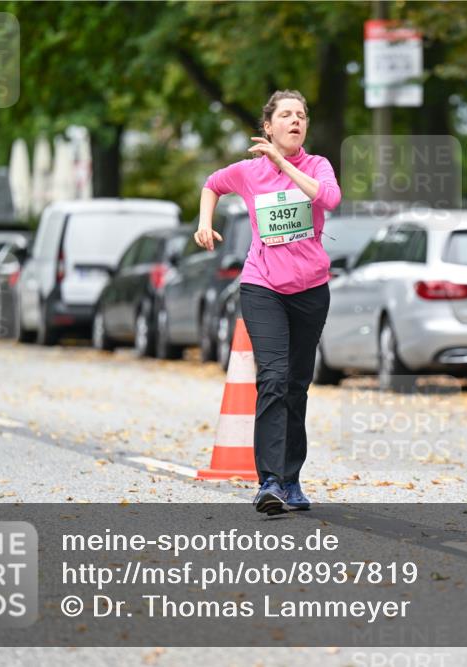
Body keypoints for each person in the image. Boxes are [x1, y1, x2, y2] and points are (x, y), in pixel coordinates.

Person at [194, 90, 341, 516]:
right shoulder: (248, 172)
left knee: (297, 384)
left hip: (311, 289)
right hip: (263, 287)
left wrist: (283, 165)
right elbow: (212, 185)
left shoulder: (317, 167)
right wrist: (205, 223)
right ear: (268, 127)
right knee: (273, 378)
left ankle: (292, 479)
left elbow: (328, 199)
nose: (296, 121)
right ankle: (270, 482)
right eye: (286, 115)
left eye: (301, 116)